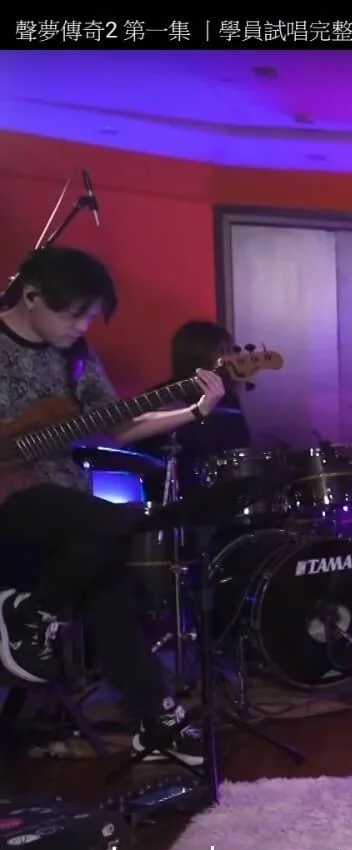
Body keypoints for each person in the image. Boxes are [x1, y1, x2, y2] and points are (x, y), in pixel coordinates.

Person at [0, 247, 224, 763]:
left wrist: (194, 410)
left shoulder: (76, 357)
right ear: (31, 296)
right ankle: (30, 614)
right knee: (112, 521)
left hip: (66, 508)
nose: (81, 326)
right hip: (11, 504)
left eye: (89, 316)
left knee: (112, 588)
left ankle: (157, 723)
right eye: (72, 314)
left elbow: (120, 425)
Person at [129, 319, 253, 491]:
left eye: (228, 351)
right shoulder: (156, 398)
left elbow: (241, 447)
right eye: (221, 352)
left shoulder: (227, 398)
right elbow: (137, 455)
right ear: (199, 356)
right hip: (166, 495)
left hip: (219, 494)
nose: (228, 359)